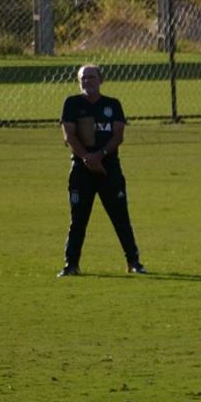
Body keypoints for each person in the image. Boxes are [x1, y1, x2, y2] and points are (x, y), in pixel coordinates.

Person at [58, 63, 145, 276]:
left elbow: (118, 135)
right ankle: (71, 265)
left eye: (91, 77)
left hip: (109, 169)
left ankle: (134, 262)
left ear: (101, 80)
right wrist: (87, 157)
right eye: (83, 78)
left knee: (120, 217)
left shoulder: (112, 105)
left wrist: (101, 155)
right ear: (79, 82)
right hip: (81, 169)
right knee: (78, 219)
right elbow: (69, 136)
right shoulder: (72, 103)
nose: (87, 81)